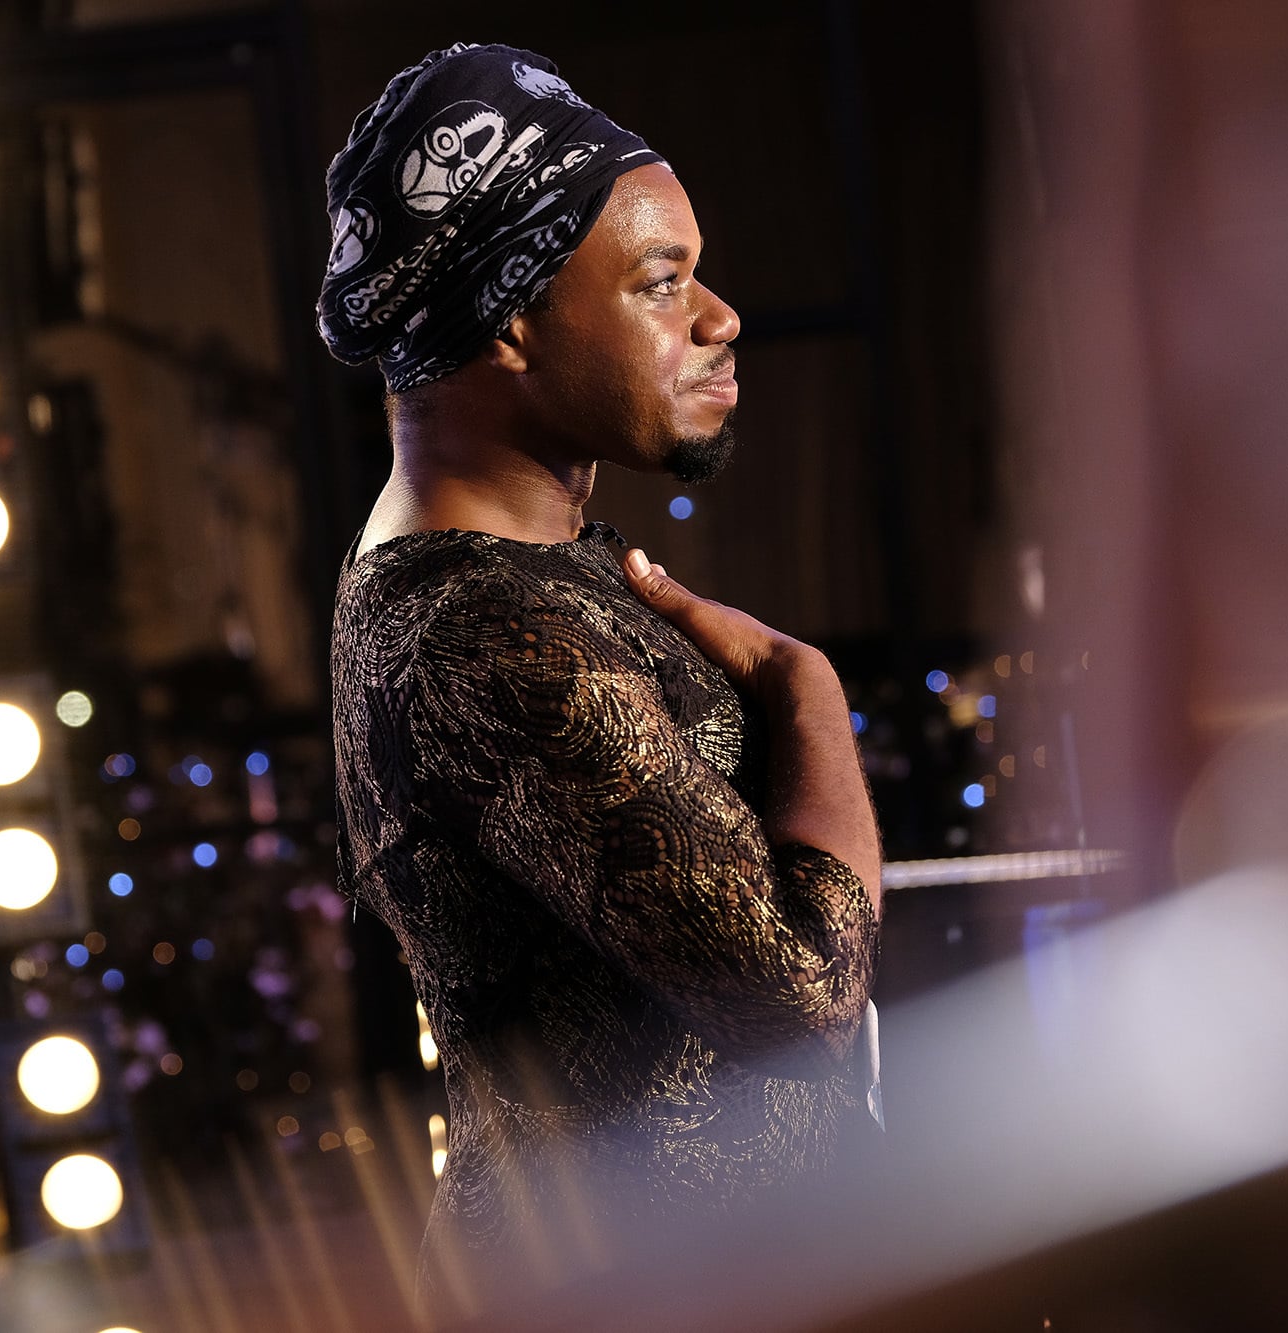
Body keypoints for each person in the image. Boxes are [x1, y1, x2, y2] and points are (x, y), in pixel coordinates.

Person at [320, 42, 884, 1321]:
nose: (717, 317)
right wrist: (804, 685)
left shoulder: (521, 569)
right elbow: (802, 995)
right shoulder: (479, 628)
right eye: (659, 283)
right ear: (508, 320)